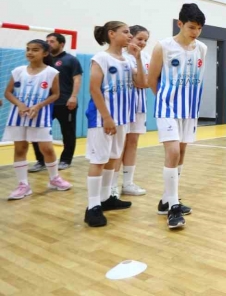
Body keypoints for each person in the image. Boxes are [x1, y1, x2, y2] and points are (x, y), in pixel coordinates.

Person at [148, 3, 207, 229]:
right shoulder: (162, 47)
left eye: (199, 29)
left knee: (180, 153)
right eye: (191, 27)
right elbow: (152, 79)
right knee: (172, 151)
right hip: (167, 108)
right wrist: (164, 99)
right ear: (180, 24)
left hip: (189, 110)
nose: (195, 32)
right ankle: (173, 207)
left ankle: (166, 200)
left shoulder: (202, 49)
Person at [84, 22, 144, 227]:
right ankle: (92, 206)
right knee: (99, 160)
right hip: (103, 118)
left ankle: (106, 198)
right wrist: (107, 117)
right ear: (111, 34)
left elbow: (141, 83)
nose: (130, 35)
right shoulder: (100, 58)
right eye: (125, 32)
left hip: (123, 118)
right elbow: (94, 89)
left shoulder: (129, 59)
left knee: (112, 158)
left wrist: (138, 57)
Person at [4, 39, 73, 200]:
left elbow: (55, 94)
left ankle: (54, 179)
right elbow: (8, 93)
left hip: (40, 116)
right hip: (18, 115)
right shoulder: (18, 71)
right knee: (20, 149)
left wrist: (38, 106)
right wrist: (20, 105)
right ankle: (23, 185)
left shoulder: (51, 72)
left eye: (35, 49)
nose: (30, 52)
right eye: (28, 49)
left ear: (45, 53)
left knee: (47, 149)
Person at [29, 33, 83, 172]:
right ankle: (41, 161)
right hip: (45, 103)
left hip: (65, 102)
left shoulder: (71, 60)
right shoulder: (43, 61)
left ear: (61, 44)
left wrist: (73, 97)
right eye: (47, 41)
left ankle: (65, 160)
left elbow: (77, 79)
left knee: (68, 133)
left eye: (52, 41)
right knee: (37, 131)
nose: (48, 43)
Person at [114, 25, 150, 197]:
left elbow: (146, 82)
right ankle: (112, 184)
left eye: (145, 40)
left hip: (139, 107)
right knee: (118, 144)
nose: (142, 43)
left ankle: (127, 183)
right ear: (130, 38)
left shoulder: (147, 58)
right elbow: (138, 82)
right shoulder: (121, 57)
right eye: (139, 39)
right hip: (121, 108)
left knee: (132, 143)